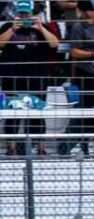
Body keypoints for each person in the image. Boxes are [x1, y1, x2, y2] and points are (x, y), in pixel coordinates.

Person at [0, 0, 59, 155]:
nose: (24, 17)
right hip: (12, 77)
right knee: (12, 113)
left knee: (37, 114)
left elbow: (54, 44)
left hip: (36, 77)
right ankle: (11, 148)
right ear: (16, 13)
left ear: (32, 14)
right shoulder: (8, 27)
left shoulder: (40, 28)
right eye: (21, 14)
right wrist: (13, 29)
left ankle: (40, 147)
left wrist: (40, 28)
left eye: (27, 14)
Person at [63, 0, 94, 155]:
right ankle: (83, 145)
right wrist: (93, 54)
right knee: (87, 112)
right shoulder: (79, 27)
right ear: (88, 12)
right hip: (87, 74)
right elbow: (74, 52)